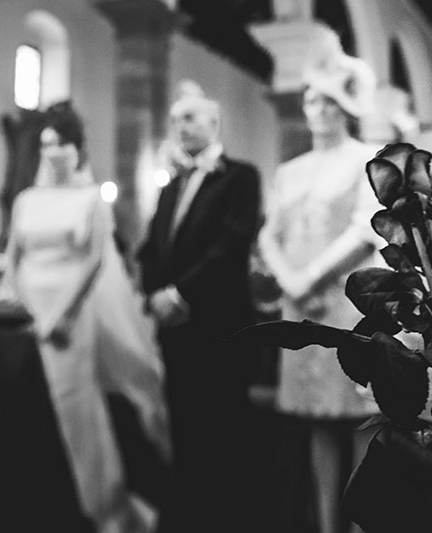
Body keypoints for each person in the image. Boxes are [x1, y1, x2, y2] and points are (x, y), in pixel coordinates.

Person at [9, 101, 168, 533]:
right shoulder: (26, 200)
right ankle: (40, 503)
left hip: (69, 317)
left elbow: (95, 260)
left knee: (72, 409)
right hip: (28, 317)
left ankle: (104, 508)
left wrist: (60, 313)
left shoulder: (90, 199)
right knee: (28, 411)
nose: (52, 152)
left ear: (76, 149)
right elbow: (12, 257)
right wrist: (23, 306)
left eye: (60, 144)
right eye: (45, 145)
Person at [257, 40, 384, 533]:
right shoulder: (291, 171)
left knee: (355, 415)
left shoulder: (364, 159)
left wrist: (308, 277)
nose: (321, 110)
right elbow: (271, 232)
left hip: (348, 304)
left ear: (347, 107)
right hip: (300, 307)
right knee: (314, 417)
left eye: (331, 101)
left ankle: (359, 523)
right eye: (313, 99)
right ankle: (326, 523)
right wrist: (288, 278)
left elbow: (363, 227)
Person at [137, 81, 262, 533]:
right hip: (174, 327)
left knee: (223, 424)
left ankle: (229, 515)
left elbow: (231, 243)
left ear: (214, 122)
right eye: (174, 120)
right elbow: (151, 246)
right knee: (184, 419)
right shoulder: (171, 186)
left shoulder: (240, 176)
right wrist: (151, 293)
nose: (179, 127)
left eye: (189, 117)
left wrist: (179, 293)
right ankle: (189, 511)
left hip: (219, 321)